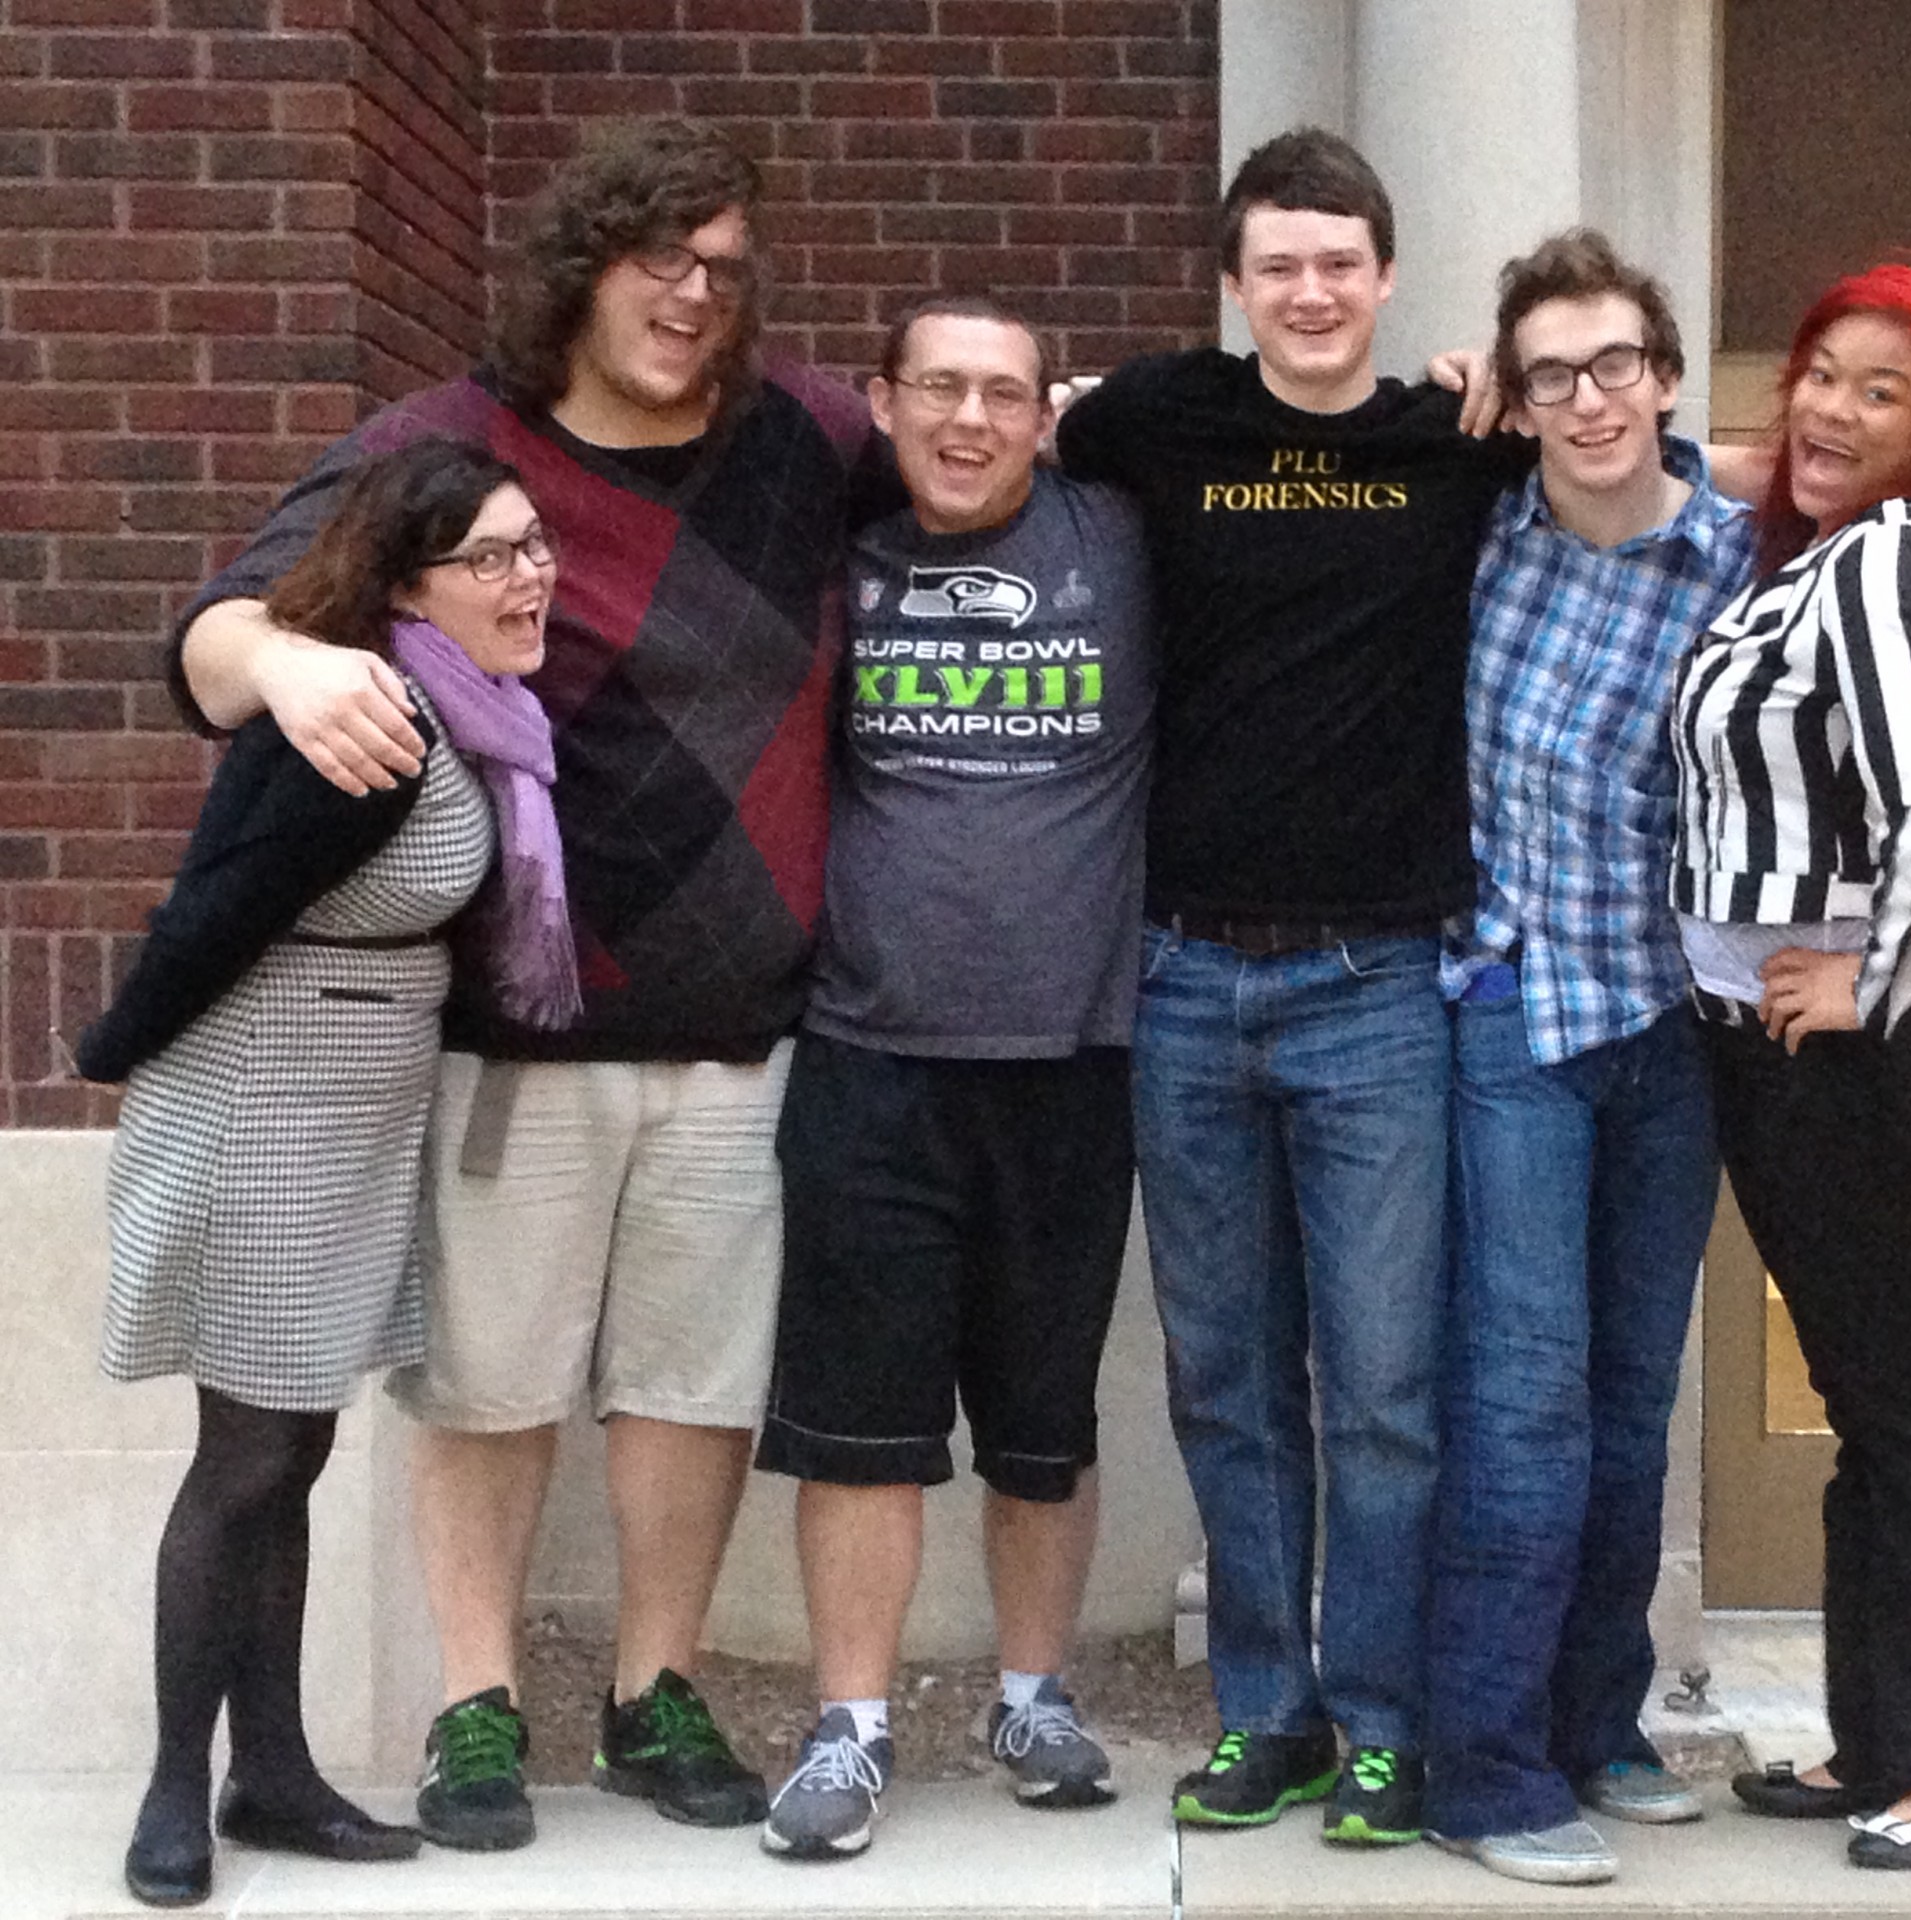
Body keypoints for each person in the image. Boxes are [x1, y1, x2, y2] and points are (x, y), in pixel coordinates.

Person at [167, 119, 900, 1852]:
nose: (694, 296)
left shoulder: (807, 434)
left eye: (724, 271)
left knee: (691, 1388)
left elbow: (999, 447)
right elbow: (213, 637)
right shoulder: (448, 446)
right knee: (489, 1386)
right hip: (522, 1032)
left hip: (739, 1038)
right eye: (663, 259)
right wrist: (278, 655)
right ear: (587, 265)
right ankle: (475, 1710)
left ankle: (657, 1697)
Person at [1052, 127, 1536, 1845]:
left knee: (1387, 1388)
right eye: (1280, 266)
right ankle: (1274, 1713)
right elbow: (1000, 441)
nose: (1312, 291)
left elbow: (1656, 468)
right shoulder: (1155, 420)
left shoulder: (1453, 439)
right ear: (1236, 284)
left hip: (1379, 983)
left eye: (1341, 263)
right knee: (1227, 1379)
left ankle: (1389, 1723)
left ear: (1388, 279)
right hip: (1184, 977)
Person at [81, 438, 563, 1908]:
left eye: (536, 543)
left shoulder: (473, 711)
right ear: (411, 584)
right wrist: (118, 1045)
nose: (531, 574)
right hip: (263, 1101)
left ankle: (272, 1771)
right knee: (245, 1459)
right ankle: (178, 1789)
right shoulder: (367, 716)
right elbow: (221, 898)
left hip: (354, 1104)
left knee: (293, 1450)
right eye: (492, 556)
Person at [753, 296, 1154, 1861]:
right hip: (868, 1057)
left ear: (1049, 413)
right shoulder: (827, 544)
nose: (970, 421)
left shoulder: (1123, 536)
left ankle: (1033, 1698)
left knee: (1045, 1422)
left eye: (1004, 393)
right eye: (940, 390)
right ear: (886, 402)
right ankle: (850, 1730)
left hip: (1072, 1059)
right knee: (859, 1426)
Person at [1668, 261, 1911, 1870]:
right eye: (1825, 371)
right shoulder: (1822, 543)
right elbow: (1712, 460)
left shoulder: (1885, 555)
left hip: (1851, 1052)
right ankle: (1881, 1738)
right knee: (1869, 1403)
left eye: (1886, 395)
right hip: (1776, 1043)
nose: (1833, 406)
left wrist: (1868, 978)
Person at [1422, 230, 1756, 1887]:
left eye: (1614, 362)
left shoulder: (1753, 557)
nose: (1587, 396)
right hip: (1520, 1022)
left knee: (1633, 1407)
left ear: (1666, 376)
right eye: (1549, 371)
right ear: (1519, 395)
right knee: (1529, 1405)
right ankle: (1483, 1767)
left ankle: (1594, 1722)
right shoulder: (1478, 537)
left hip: (1676, 1035)